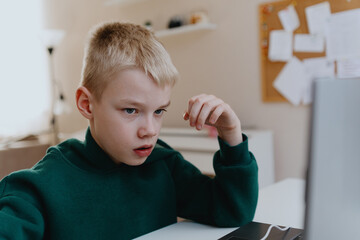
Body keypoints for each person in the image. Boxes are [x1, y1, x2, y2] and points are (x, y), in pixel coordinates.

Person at [0, 22, 258, 239]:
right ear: (87, 104)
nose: (150, 130)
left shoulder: (163, 164)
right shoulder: (42, 184)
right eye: (131, 111)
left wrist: (231, 134)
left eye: (159, 111)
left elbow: (232, 211)